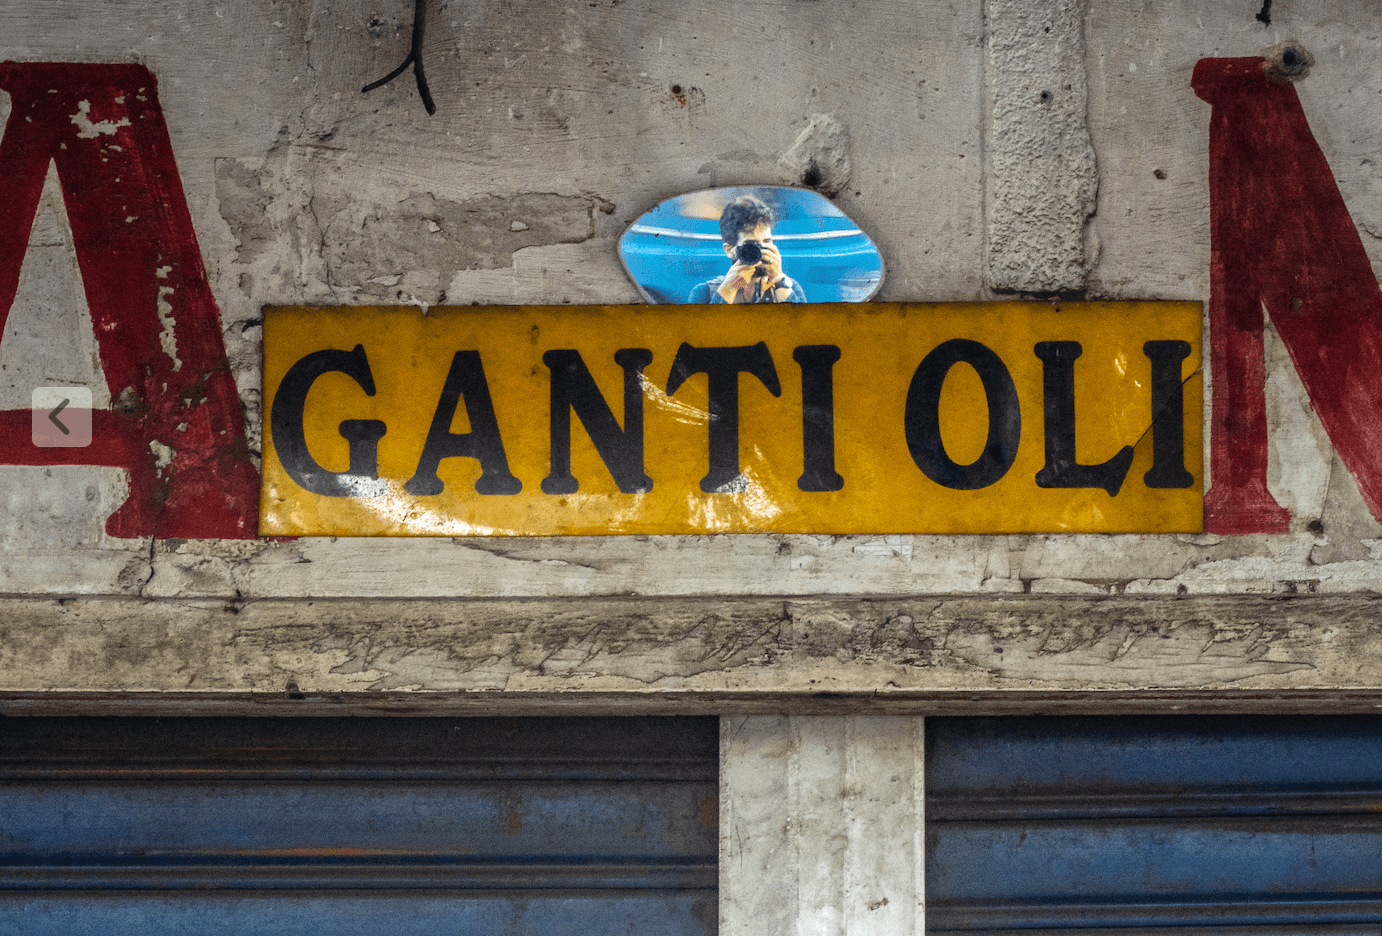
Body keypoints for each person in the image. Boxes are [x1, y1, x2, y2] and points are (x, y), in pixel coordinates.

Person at [687, 195, 807, 303]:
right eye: (751, 245)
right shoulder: (704, 293)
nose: (761, 252)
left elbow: (803, 327)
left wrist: (779, 282)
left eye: (766, 242)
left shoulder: (790, 288)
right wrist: (727, 290)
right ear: (729, 249)